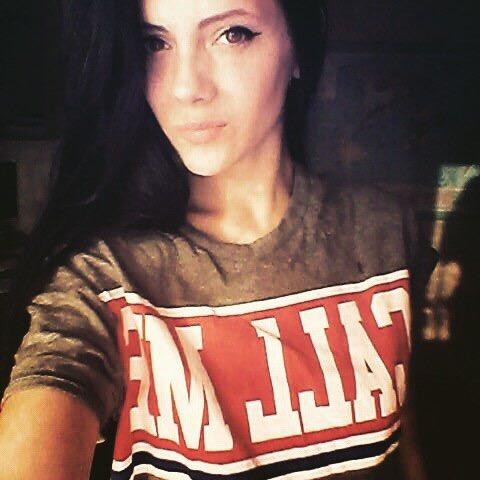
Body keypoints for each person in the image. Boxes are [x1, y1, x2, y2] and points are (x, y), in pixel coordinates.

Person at [0, 0, 426, 479]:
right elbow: (50, 392)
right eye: (155, 43)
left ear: (298, 49)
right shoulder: (104, 274)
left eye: (232, 34)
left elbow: (408, 443)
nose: (186, 87)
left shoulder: (382, 232)